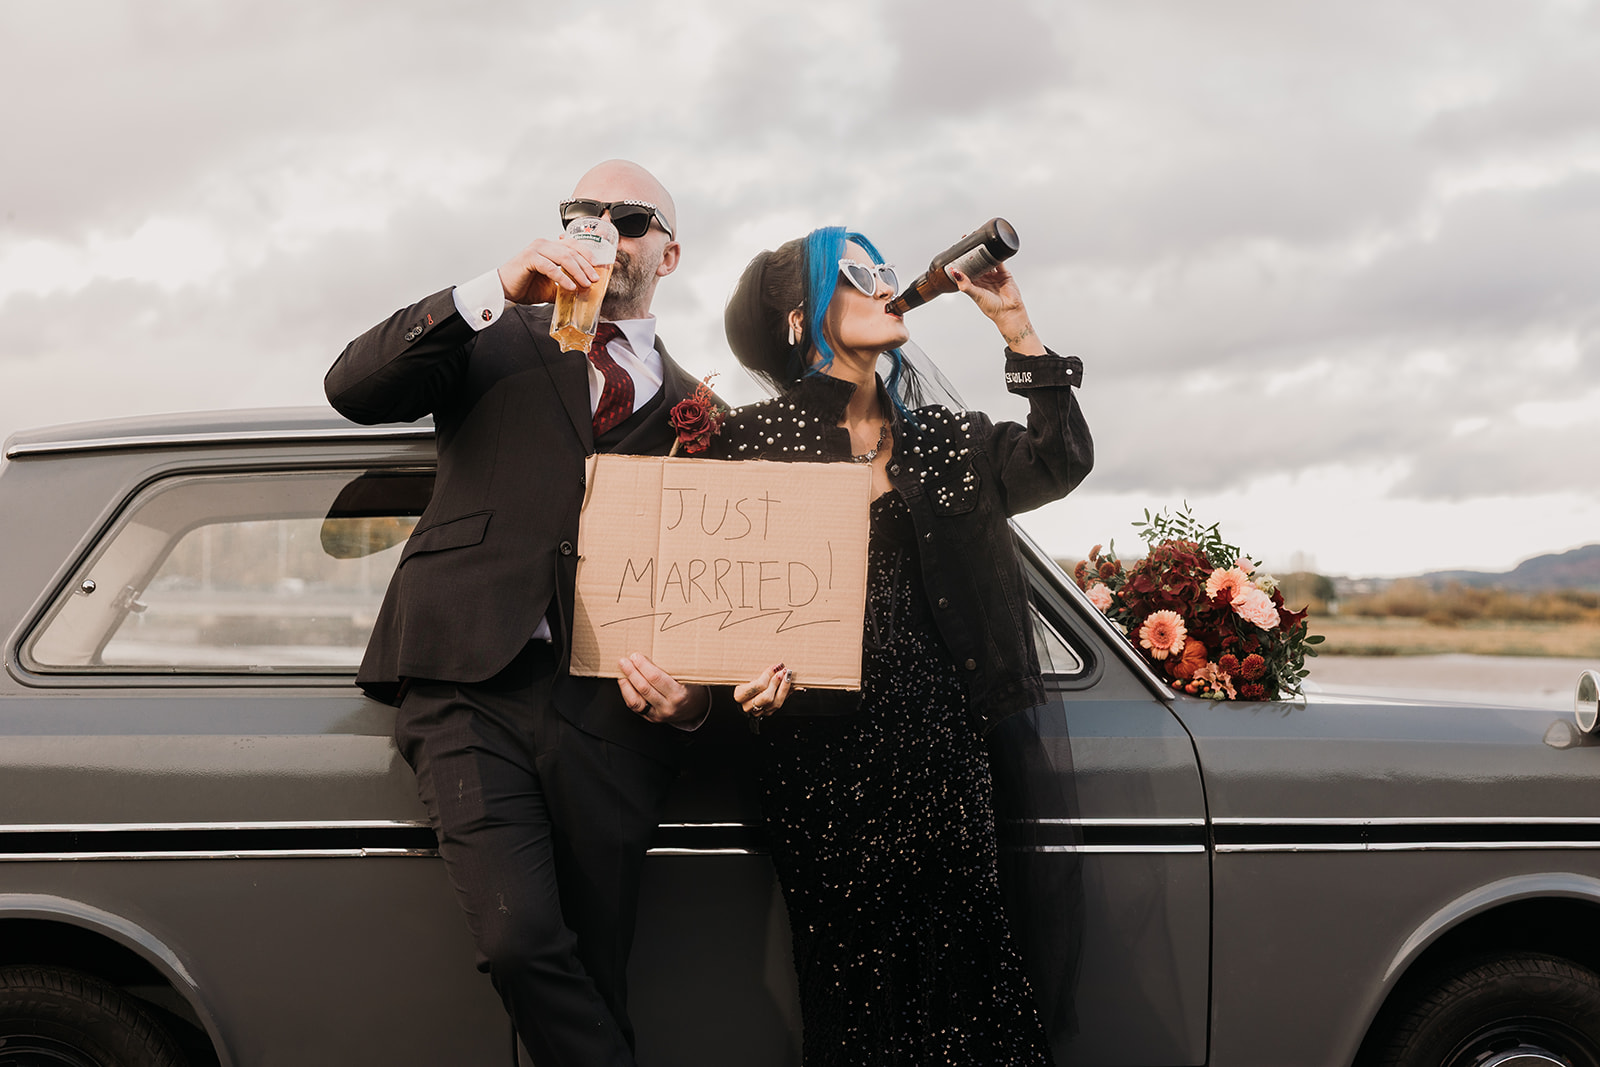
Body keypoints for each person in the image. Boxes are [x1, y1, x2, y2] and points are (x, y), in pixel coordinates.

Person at [325, 160, 712, 1067]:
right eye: (581, 213)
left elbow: (714, 588)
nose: (602, 230)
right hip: (468, 681)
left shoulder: (702, 407)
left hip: (614, 709)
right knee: (521, 940)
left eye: (628, 217)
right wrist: (497, 287)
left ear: (669, 250)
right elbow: (351, 387)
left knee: (595, 967)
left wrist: (691, 700)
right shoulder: (489, 336)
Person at [709, 226, 1093, 1065]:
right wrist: (742, 681)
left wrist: (1018, 330)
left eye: (885, 268)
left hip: (949, 765)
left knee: (974, 1003)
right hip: (821, 775)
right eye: (855, 272)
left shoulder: (947, 441)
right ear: (796, 317)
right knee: (860, 1008)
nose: (884, 283)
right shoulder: (747, 444)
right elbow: (716, 617)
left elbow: (1060, 460)